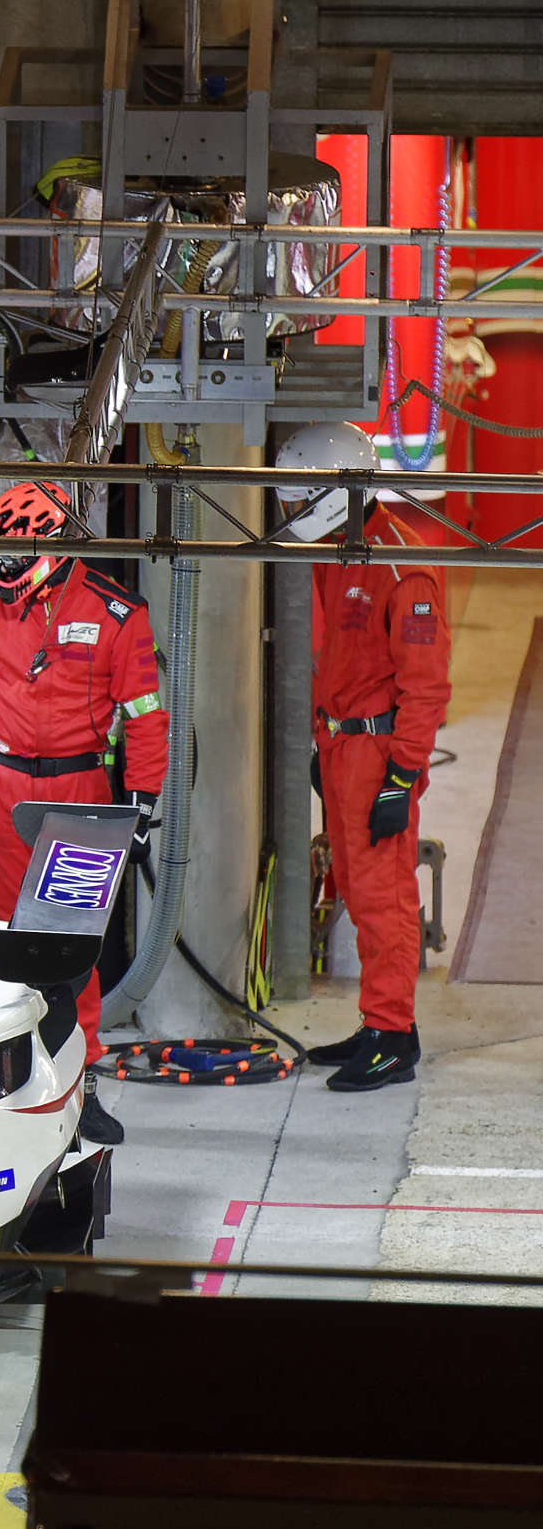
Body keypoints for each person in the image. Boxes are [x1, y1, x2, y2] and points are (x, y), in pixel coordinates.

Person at [0, 480, 167, 1146]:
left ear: (52, 548)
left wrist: (142, 804)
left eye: (13, 554)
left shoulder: (118, 612)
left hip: (79, 797)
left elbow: (146, 717)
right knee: (0, 946)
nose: (0, 568)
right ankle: (1, 1080)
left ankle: (79, 1086)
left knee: (71, 955)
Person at [275, 422, 451, 1092]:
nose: (290, 512)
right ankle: (378, 1026)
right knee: (353, 887)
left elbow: (426, 686)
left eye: (298, 498)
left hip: (379, 754)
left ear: (329, 491)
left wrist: (401, 777)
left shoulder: (404, 567)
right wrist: (325, 739)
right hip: (343, 744)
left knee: (384, 900)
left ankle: (394, 1038)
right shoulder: (337, 551)